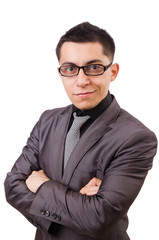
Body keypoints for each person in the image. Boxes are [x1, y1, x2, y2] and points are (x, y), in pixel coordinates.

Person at [4, 22, 157, 240]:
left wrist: (43, 186)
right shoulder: (47, 120)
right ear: (61, 72)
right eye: (70, 69)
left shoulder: (136, 137)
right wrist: (74, 209)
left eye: (94, 67)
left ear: (112, 72)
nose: (81, 80)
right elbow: (12, 186)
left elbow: (98, 218)